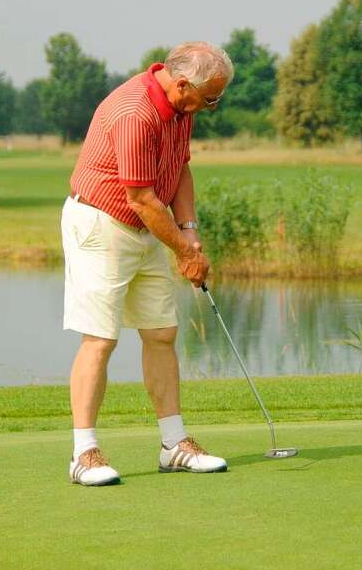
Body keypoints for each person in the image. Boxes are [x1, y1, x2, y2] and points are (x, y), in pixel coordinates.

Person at [61, 41, 233, 486]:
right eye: (211, 97)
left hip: (147, 225)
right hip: (102, 224)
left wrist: (189, 233)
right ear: (182, 84)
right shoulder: (134, 112)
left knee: (161, 332)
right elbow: (139, 197)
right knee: (100, 339)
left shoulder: (181, 107)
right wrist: (182, 252)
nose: (213, 107)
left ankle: (173, 444)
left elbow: (180, 170)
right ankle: (84, 454)